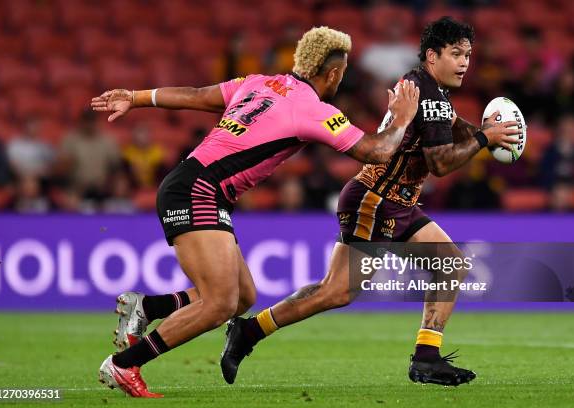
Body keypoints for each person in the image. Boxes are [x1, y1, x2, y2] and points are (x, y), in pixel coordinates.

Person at [91, 26, 420, 398]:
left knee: (242, 296)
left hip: (197, 186)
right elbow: (376, 152)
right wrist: (402, 117)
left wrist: (135, 97)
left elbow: (197, 95)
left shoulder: (258, 82)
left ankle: (148, 307)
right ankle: (124, 364)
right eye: (341, 74)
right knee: (220, 304)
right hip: (198, 191)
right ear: (332, 73)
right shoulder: (313, 109)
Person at [220, 17, 521, 387]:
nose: (464, 63)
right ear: (432, 55)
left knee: (436, 268)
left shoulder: (425, 87)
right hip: (377, 201)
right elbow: (440, 164)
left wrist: (479, 132)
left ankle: (250, 332)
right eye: (456, 54)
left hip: (389, 199)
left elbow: (447, 120)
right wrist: (484, 140)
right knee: (341, 290)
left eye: (468, 56)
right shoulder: (424, 90)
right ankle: (250, 333)